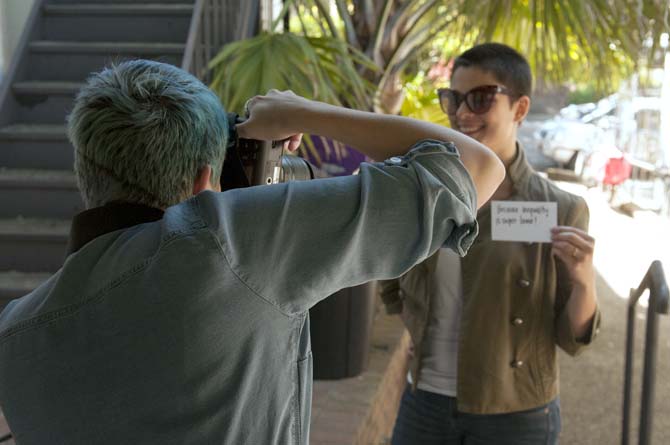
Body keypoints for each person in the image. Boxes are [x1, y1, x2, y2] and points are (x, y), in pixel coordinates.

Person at [0, 59, 504, 444]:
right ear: (204, 179)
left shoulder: (16, 333)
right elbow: (476, 168)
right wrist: (300, 113)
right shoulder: (232, 245)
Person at [383, 43, 601, 445]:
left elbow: (573, 337)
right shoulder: (424, 190)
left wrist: (585, 281)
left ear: (519, 109)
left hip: (515, 412)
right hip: (425, 401)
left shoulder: (560, 208)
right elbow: (390, 276)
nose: (462, 113)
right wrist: (416, 324)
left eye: (481, 99)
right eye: (453, 98)